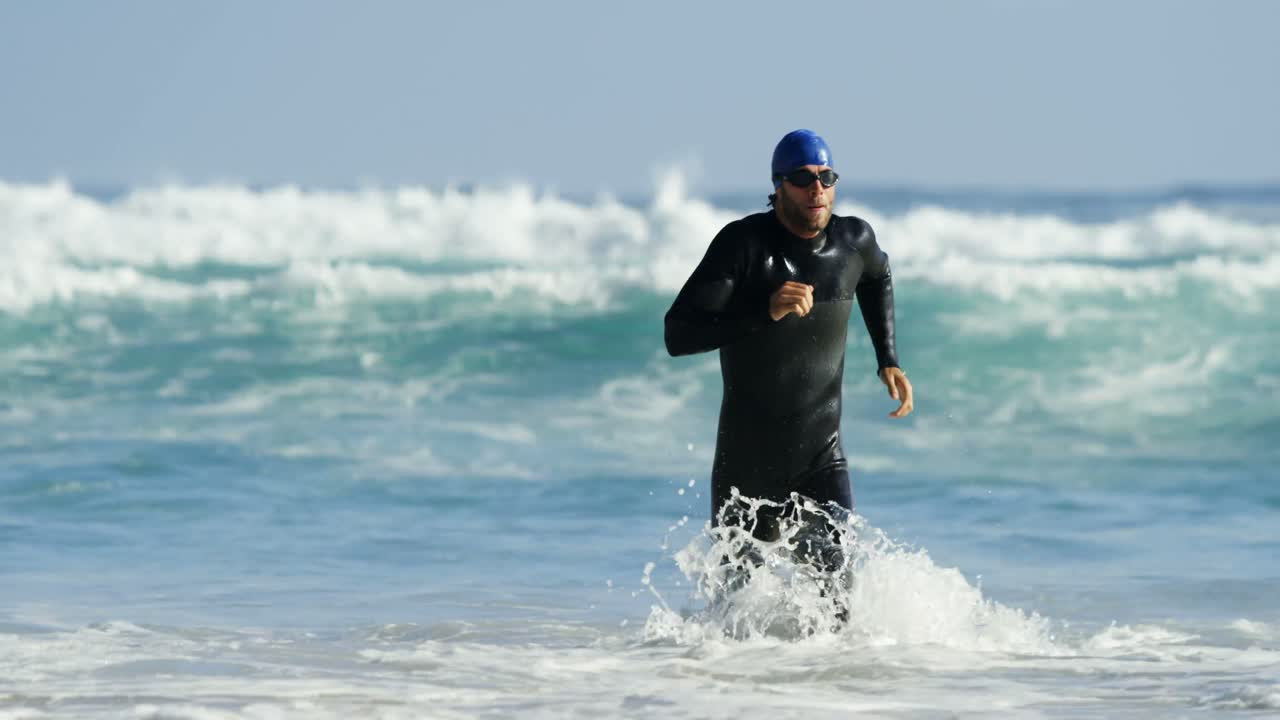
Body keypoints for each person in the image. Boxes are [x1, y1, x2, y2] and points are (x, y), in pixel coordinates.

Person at [664, 129, 913, 560]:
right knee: (734, 615)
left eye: (826, 177)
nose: (817, 188)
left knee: (836, 602)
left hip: (822, 457)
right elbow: (678, 334)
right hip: (746, 466)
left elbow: (878, 276)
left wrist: (887, 358)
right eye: (802, 178)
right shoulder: (743, 247)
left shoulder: (854, 243)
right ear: (778, 186)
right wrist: (765, 312)